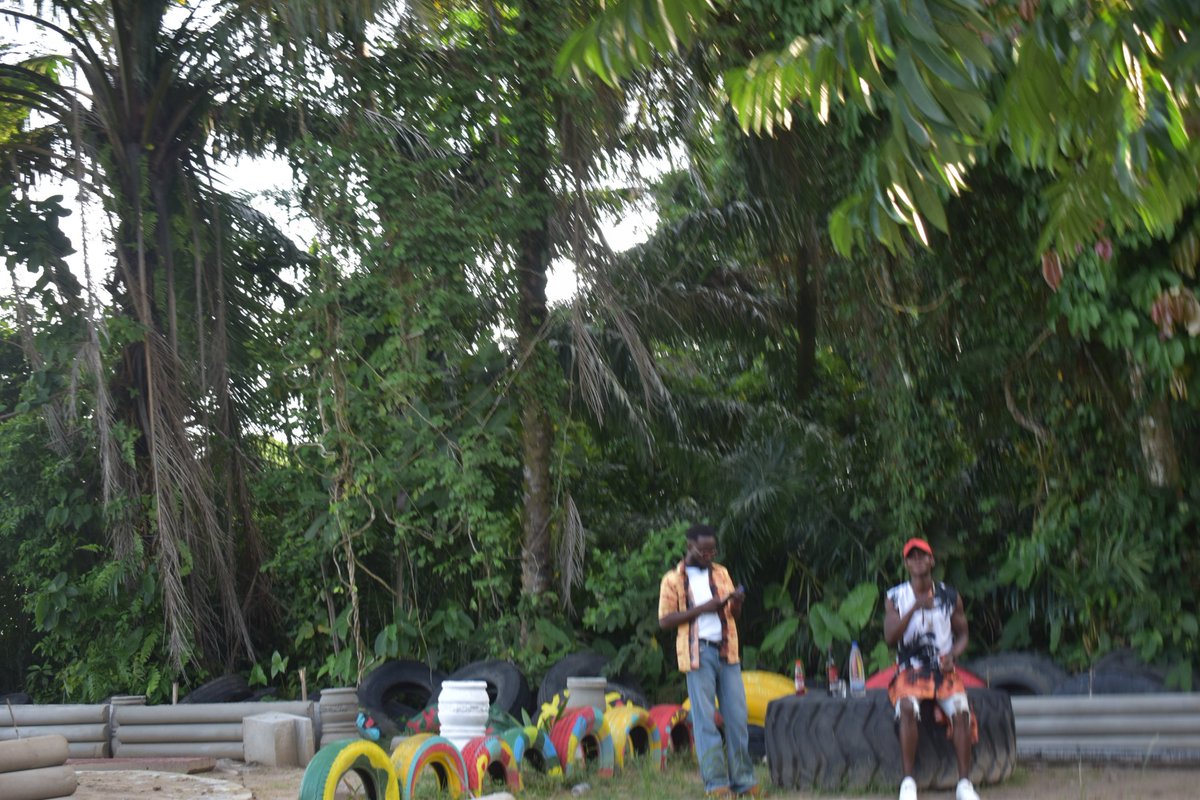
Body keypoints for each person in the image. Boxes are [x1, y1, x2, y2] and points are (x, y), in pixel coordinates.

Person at [659, 524, 760, 798]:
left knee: (737, 718)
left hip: (727, 651)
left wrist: (735, 603)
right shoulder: (672, 579)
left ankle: (744, 781)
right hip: (697, 655)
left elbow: (731, 614)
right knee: (705, 721)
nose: (708, 554)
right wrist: (704, 608)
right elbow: (665, 620)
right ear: (689, 546)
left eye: (712, 549)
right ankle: (716, 785)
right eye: (703, 550)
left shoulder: (721, 572)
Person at [883, 537, 980, 800]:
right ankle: (908, 783)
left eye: (922, 555)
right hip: (910, 670)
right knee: (906, 708)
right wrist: (915, 606)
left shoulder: (950, 595)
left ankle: (964, 785)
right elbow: (890, 638)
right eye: (912, 557)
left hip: (943, 671)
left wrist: (953, 655)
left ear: (932, 560)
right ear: (906, 563)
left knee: (961, 712)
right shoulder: (895, 597)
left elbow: (963, 635)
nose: (917, 560)